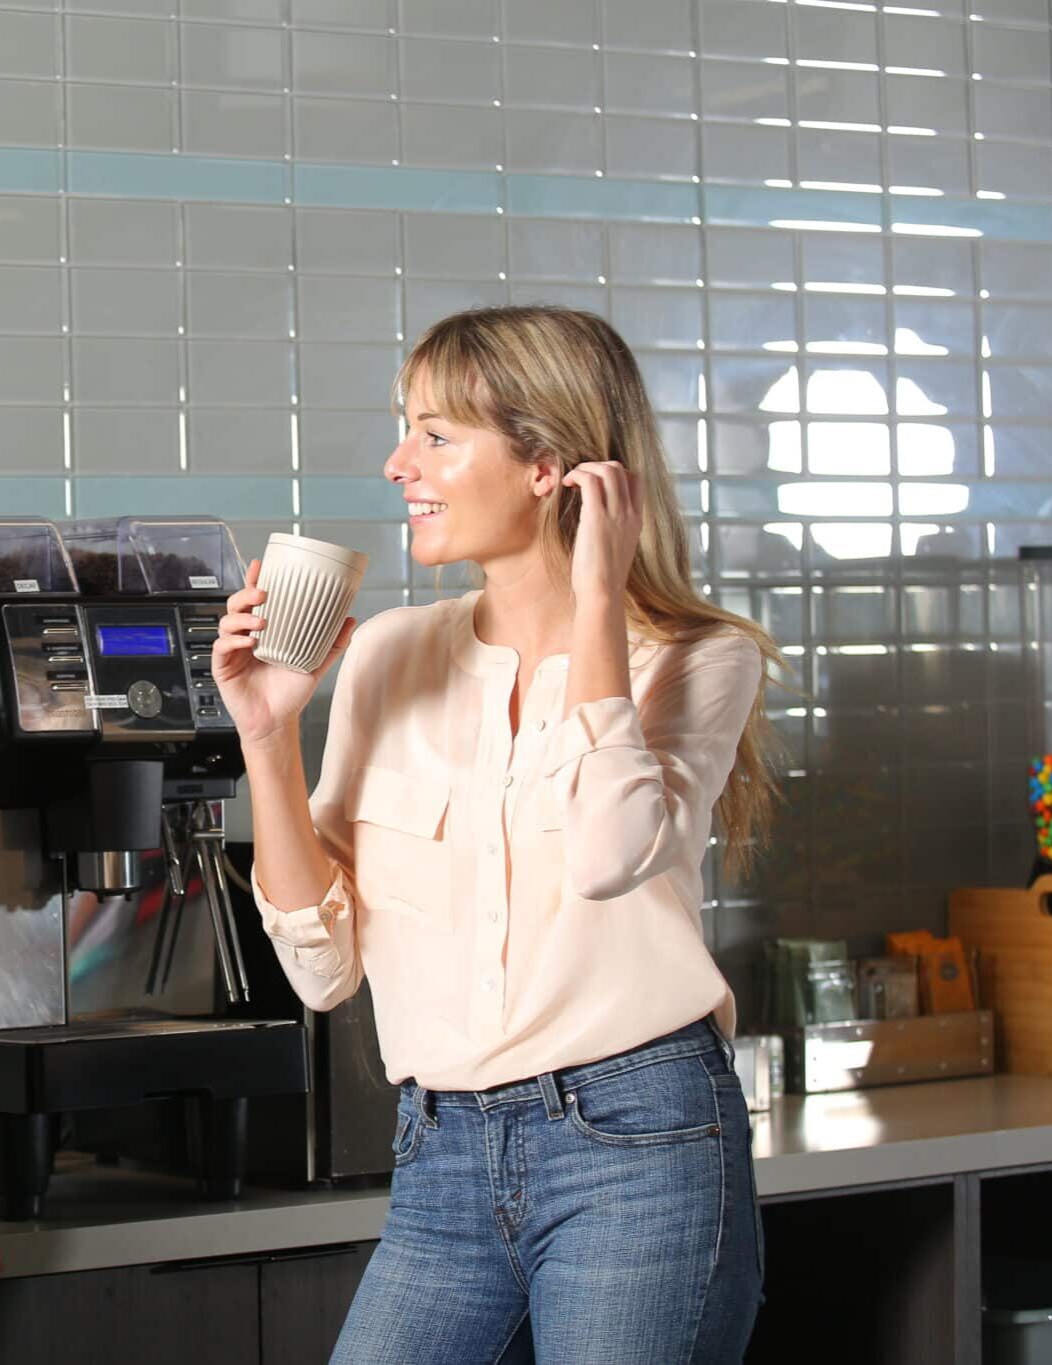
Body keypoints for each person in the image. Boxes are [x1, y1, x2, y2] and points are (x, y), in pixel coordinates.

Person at [215, 306, 779, 1363]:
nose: (397, 464)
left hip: (640, 1144)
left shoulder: (697, 658)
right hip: (441, 1150)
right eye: (404, 428)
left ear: (545, 465)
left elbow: (611, 855)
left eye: (435, 434)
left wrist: (596, 601)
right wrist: (266, 733)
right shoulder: (387, 653)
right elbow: (322, 968)